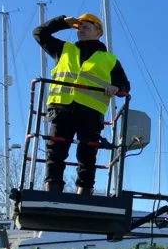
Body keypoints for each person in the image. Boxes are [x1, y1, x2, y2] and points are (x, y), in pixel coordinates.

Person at [33, 13, 131, 195]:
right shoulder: (64, 49)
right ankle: (52, 189)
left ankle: (84, 190)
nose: (81, 30)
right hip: (62, 108)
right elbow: (39, 33)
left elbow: (125, 85)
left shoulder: (110, 60)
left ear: (98, 31)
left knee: (87, 153)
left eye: (86, 27)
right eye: (78, 28)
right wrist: (63, 23)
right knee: (55, 150)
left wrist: (115, 87)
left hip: (91, 112)